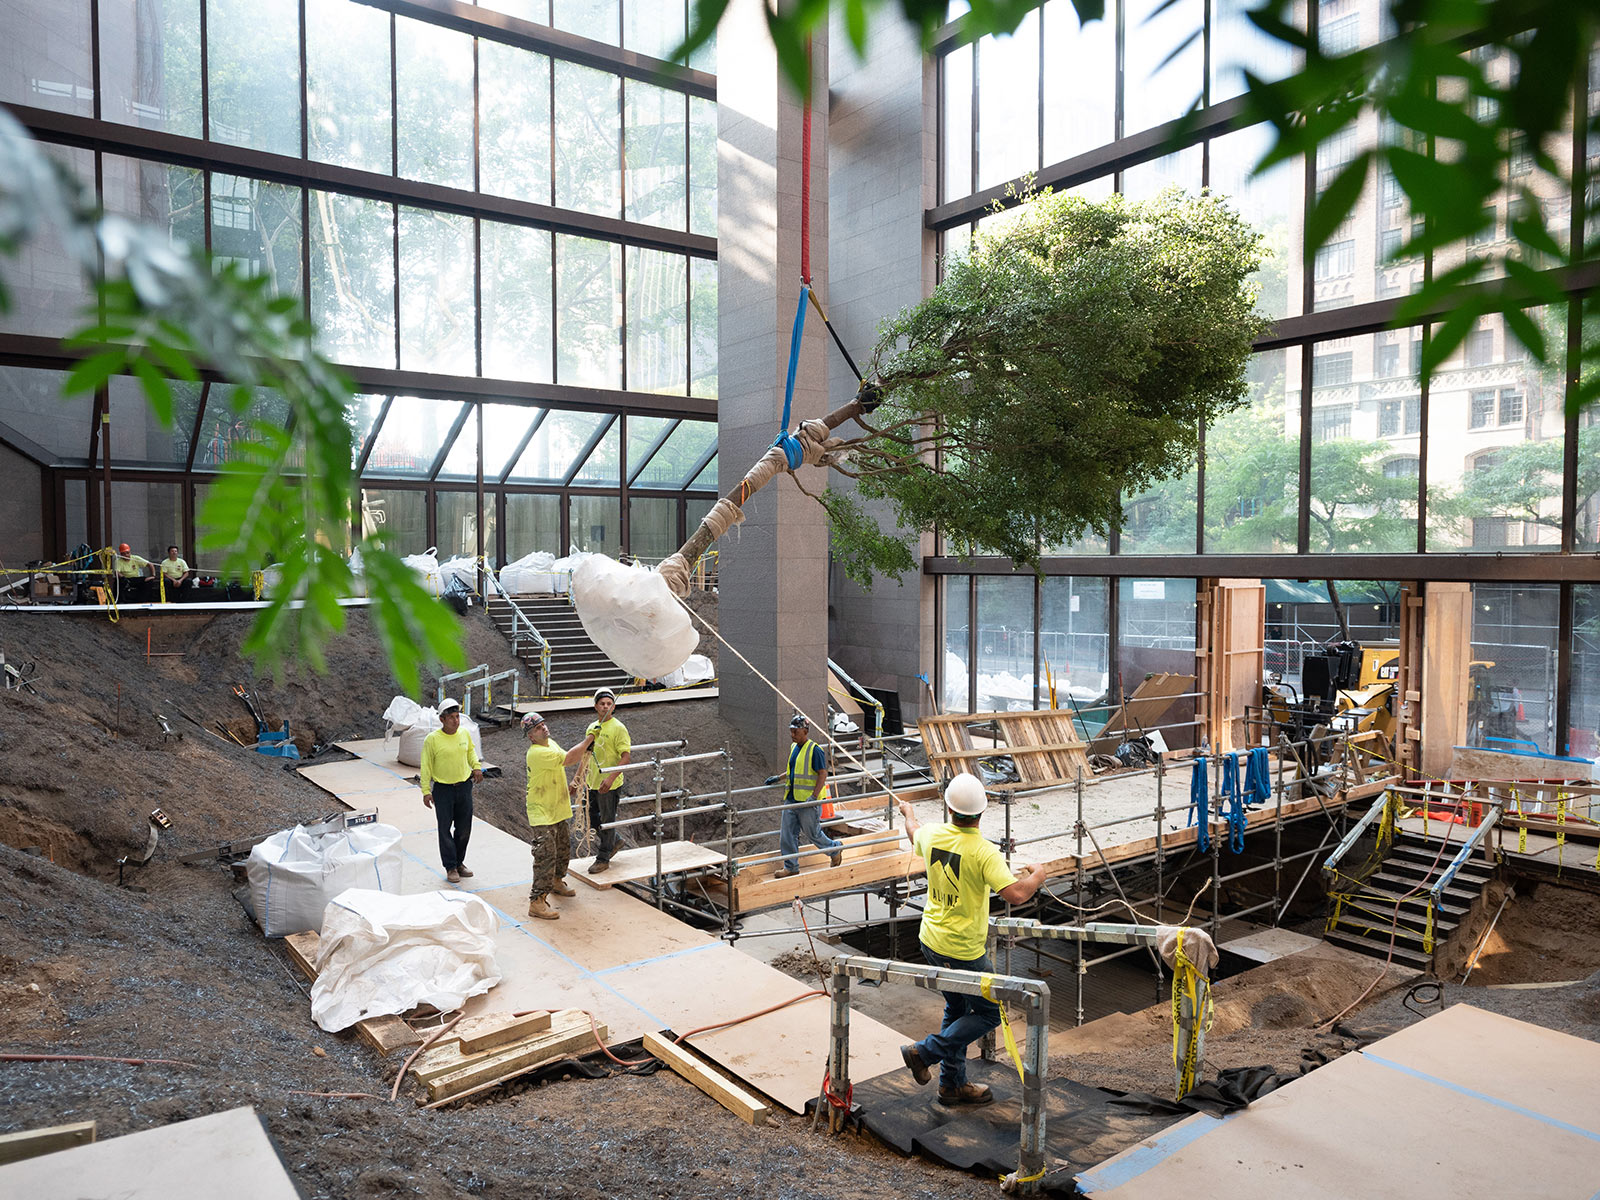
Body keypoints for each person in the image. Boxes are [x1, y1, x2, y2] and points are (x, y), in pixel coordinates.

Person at [897, 773, 1049, 1106]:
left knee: (957, 1005)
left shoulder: (933, 835)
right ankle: (924, 1052)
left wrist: (908, 813)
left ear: (948, 808)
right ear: (981, 813)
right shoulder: (984, 852)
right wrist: (1037, 875)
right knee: (989, 1013)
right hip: (962, 949)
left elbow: (913, 833)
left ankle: (951, 1085)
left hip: (931, 940)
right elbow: (1016, 894)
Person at [520, 711, 593, 921]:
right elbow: (569, 758)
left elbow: (569, 756)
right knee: (545, 855)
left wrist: (575, 780)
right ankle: (537, 902)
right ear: (531, 736)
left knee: (563, 848)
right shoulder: (535, 753)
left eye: (542, 724)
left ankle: (556, 881)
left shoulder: (550, 744)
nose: (543, 728)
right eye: (537, 728)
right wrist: (590, 739)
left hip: (557, 807)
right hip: (542, 811)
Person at [420, 698, 484, 884]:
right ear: (442, 720)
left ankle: (459, 862)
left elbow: (471, 752)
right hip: (443, 790)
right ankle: (450, 866)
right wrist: (425, 790)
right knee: (444, 829)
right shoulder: (432, 740)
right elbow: (426, 766)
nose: (456, 721)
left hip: (464, 786)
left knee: (464, 828)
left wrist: (476, 766)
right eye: (451, 718)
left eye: (457, 717)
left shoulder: (464, 734)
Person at [775, 714, 843, 879]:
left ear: (805, 731)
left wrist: (813, 796)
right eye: (791, 731)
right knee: (787, 834)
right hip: (792, 799)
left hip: (807, 802)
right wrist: (778, 778)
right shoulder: (794, 748)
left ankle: (834, 849)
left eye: (795, 732)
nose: (792, 735)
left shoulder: (815, 750)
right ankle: (791, 867)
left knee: (813, 834)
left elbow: (822, 774)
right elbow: (793, 771)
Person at [583, 687, 631, 873]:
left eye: (609, 704)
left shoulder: (618, 728)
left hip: (609, 785)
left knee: (607, 819)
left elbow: (625, 757)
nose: (605, 707)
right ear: (596, 706)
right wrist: (578, 779)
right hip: (592, 781)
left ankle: (603, 858)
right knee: (590, 818)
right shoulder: (592, 728)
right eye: (602, 704)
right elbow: (586, 755)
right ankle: (615, 840)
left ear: (614, 707)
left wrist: (611, 779)